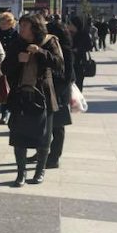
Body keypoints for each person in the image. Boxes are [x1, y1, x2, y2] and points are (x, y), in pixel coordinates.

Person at [3, 14, 64, 187]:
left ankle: (40, 171)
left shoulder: (49, 41)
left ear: (35, 28)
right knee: (18, 137)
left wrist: (40, 52)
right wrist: (17, 60)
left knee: (43, 138)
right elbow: (4, 67)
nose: (20, 29)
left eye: (24, 26)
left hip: (43, 95)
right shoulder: (17, 43)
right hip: (20, 96)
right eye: (20, 25)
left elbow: (59, 64)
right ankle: (21, 174)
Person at [45, 19, 75, 169]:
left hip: (59, 92)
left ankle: (55, 156)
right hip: (49, 90)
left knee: (58, 126)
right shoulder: (49, 49)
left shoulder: (65, 50)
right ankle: (43, 152)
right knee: (46, 125)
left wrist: (56, 92)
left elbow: (68, 75)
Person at [0, 12, 18, 125]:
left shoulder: (16, 34)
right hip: (1, 65)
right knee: (3, 90)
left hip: (14, 65)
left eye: (6, 22)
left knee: (13, 89)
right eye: (1, 22)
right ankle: (4, 114)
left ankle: (12, 112)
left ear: (11, 23)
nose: (3, 24)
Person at [68, 15, 92, 91]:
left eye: (70, 24)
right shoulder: (67, 34)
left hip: (80, 62)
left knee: (78, 83)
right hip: (69, 62)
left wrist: (78, 49)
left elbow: (89, 46)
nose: (69, 25)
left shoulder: (83, 34)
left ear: (75, 25)